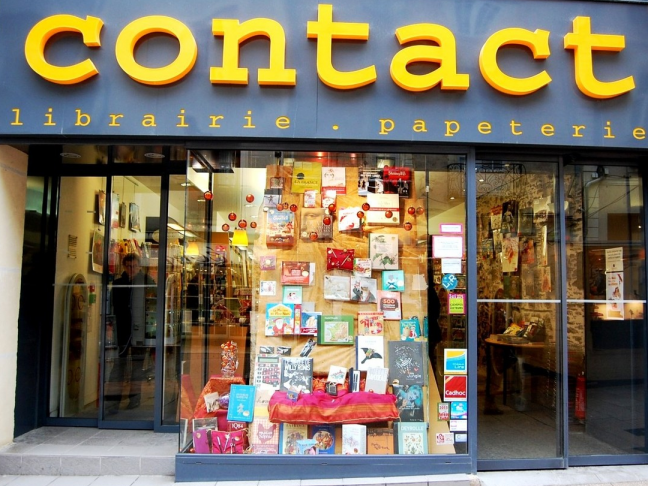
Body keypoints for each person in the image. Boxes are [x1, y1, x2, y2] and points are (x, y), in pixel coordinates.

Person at [106, 253, 156, 414]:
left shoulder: (147, 281)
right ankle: (113, 403)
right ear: (124, 267)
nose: (131, 269)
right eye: (128, 266)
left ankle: (134, 399)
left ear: (139, 266)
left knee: (137, 367)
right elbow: (113, 307)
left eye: (134, 266)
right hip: (122, 330)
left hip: (140, 331)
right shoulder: (118, 283)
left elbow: (153, 305)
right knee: (118, 366)